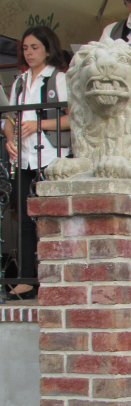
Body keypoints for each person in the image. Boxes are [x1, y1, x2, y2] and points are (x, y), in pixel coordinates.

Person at [3, 26, 70, 300]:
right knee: (25, 219)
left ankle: (54, 276)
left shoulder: (59, 78)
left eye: (35, 47)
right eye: (25, 48)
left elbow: (73, 118)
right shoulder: (19, 82)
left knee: (50, 217)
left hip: (51, 157)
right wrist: (10, 138)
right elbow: (10, 119)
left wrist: (39, 124)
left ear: (47, 48)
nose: (29, 53)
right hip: (23, 157)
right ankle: (27, 278)